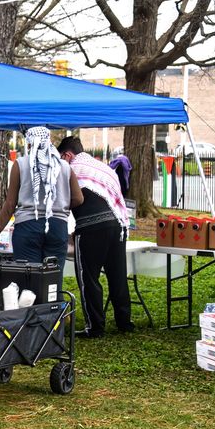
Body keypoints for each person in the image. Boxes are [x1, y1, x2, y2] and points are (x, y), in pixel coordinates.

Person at [57, 136, 134, 338]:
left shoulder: (71, 169)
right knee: (117, 275)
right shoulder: (103, 168)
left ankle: (96, 326)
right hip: (117, 225)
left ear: (67, 155)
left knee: (88, 278)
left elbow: (70, 200)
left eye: (61, 158)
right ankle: (124, 322)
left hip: (90, 228)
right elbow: (113, 198)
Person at [0, 126, 83, 269]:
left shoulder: (20, 164)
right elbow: (79, 199)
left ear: (29, 143)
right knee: (52, 277)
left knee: (29, 276)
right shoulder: (64, 166)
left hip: (28, 227)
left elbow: (10, 203)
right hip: (57, 227)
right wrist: (58, 205)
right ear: (48, 142)